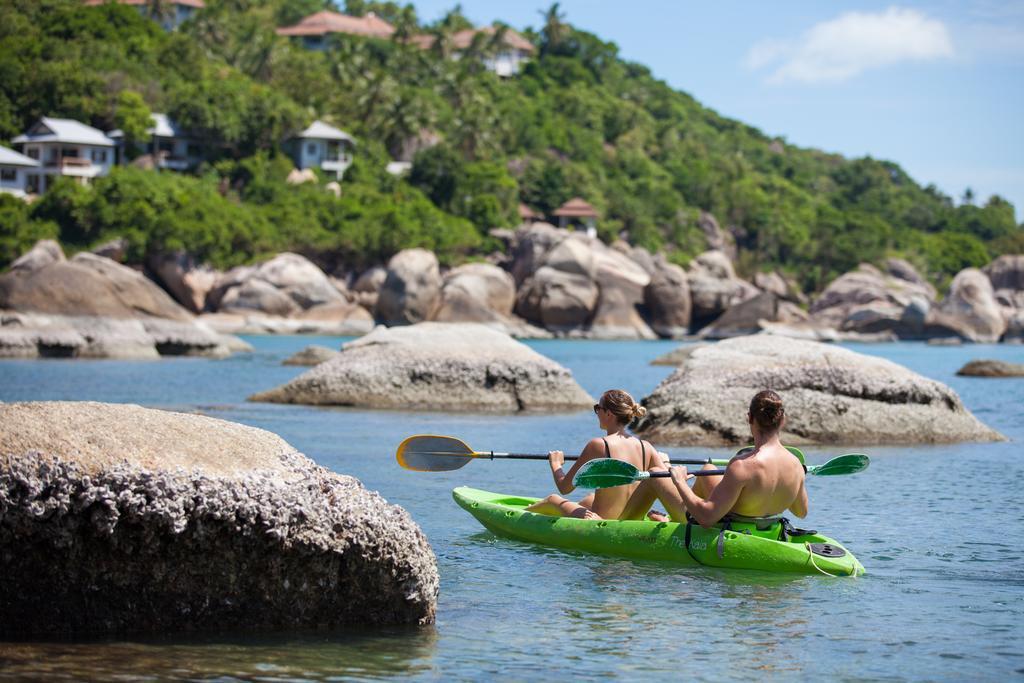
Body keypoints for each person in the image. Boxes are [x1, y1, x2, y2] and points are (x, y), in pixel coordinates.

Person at [620, 389, 808, 526]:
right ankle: (672, 519)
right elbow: (801, 512)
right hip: (764, 525)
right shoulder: (796, 464)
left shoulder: (743, 466)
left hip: (724, 527)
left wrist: (680, 482)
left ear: (749, 418)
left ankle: (616, 526)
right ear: (783, 420)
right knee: (708, 469)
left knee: (655, 473)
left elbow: (707, 518)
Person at [525, 389, 663, 520]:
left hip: (599, 521)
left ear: (609, 414)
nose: (596, 412)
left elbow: (565, 488)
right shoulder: (646, 447)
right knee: (589, 499)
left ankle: (522, 514)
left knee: (553, 499)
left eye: (598, 408)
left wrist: (555, 464)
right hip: (630, 518)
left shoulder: (598, 445)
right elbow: (665, 479)